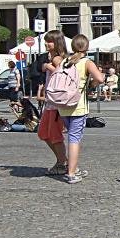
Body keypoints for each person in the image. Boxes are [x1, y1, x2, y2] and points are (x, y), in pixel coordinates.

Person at [48, 34, 104, 184]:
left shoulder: (65, 61)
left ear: (72, 46)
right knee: (74, 139)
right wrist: (91, 84)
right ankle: (71, 173)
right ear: (87, 47)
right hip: (78, 105)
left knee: (72, 136)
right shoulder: (86, 62)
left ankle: (74, 168)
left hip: (63, 105)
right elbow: (100, 79)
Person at [39, 30, 69, 176]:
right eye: (46, 41)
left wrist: (47, 66)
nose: (46, 43)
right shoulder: (53, 57)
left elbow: (62, 73)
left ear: (56, 43)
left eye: (49, 41)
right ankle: (62, 161)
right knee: (44, 133)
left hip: (56, 104)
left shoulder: (57, 58)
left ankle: (62, 163)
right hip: (50, 102)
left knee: (54, 134)